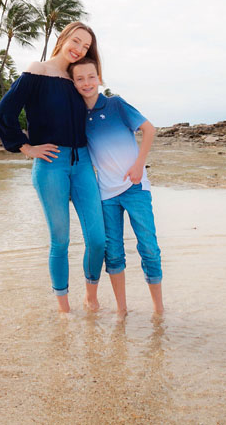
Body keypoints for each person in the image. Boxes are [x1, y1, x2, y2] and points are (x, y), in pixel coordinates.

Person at [0, 22, 106, 313]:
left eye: (85, 46)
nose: (79, 49)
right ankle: (64, 308)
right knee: (61, 240)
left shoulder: (78, 78)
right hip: (51, 165)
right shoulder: (37, 71)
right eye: (76, 41)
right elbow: (4, 111)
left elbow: (98, 118)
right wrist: (26, 147)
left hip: (83, 164)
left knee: (97, 239)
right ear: (64, 37)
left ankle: (91, 296)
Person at [68, 57, 163, 316]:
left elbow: (149, 129)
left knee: (149, 249)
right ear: (73, 83)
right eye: (79, 79)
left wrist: (139, 165)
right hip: (106, 194)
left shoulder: (116, 104)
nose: (86, 83)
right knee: (114, 254)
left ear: (99, 77)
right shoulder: (77, 117)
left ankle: (159, 311)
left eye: (91, 76)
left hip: (135, 187)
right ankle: (122, 311)